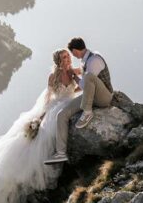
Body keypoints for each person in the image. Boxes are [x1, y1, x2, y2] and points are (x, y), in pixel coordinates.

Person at [0, 48, 79, 203]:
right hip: (56, 106)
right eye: (64, 57)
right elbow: (48, 98)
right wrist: (40, 116)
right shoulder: (53, 77)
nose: (68, 59)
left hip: (67, 103)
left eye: (68, 56)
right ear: (59, 61)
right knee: (46, 134)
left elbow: (81, 85)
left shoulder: (74, 72)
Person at [44, 37, 113, 166]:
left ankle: (87, 112)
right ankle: (60, 153)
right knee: (61, 115)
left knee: (89, 77)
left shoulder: (94, 59)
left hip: (103, 97)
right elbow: (83, 87)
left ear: (75, 51)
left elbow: (86, 83)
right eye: (65, 57)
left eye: (70, 54)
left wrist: (74, 76)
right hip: (89, 96)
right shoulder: (83, 62)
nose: (71, 57)